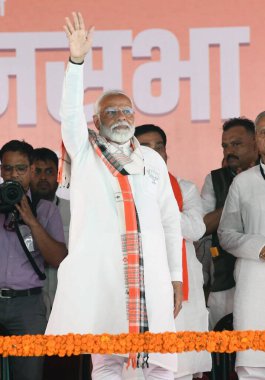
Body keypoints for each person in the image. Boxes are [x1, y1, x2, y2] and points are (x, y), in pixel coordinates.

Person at [46, 12, 183, 380]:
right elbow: (69, 113)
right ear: (96, 119)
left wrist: (175, 277)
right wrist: (77, 62)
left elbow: (170, 221)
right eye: (112, 110)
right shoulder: (85, 151)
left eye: (127, 110)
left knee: (162, 363)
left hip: (150, 278)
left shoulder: (151, 159)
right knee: (106, 363)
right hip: (105, 277)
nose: (121, 116)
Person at [125, 124, 211, 380]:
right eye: (145, 147)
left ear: (166, 153)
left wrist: (160, 204)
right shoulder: (121, 189)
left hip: (181, 286)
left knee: (181, 366)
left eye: (158, 146)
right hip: (140, 285)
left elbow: (196, 228)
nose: (153, 152)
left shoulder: (185, 189)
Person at [0, 140, 67, 380]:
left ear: (30, 169)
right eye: (7, 168)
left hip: (27, 305)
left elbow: (58, 258)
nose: (14, 175)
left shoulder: (45, 209)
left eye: (20, 168)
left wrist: (31, 220)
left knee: (28, 375)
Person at [218, 111, 265, 379]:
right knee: (254, 368)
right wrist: (259, 247)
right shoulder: (243, 182)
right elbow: (226, 234)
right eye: (263, 132)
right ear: (256, 139)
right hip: (256, 286)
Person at [200, 117, 258, 329]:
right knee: (224, 352)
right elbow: (202, 225)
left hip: (258, 274)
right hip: (224, 282)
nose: (229, 151)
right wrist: (237, 197)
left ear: (256, 142)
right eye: (225, 146)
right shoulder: (215, 179)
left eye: (236, 144)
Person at [30, 147, 70, 316]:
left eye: (49, 171)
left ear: (58, 176)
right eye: (37, 171)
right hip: (28, 304)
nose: (43, 178)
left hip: (66, 301)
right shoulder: (13, 211)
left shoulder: (74, 211)